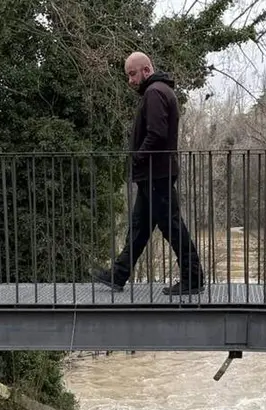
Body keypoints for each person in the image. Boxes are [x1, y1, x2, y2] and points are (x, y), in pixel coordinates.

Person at [92, 52, 204, 296]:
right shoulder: (160, 91)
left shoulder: (154, 93)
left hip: (156, 173)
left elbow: (156, 134)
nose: (130, 80)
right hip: (154, 174)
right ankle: (118, 275)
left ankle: (193, 277)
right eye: (128, 75)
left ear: (146, 70)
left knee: (171, 226)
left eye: (132, 74)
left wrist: (137, 157)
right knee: (140, 228)